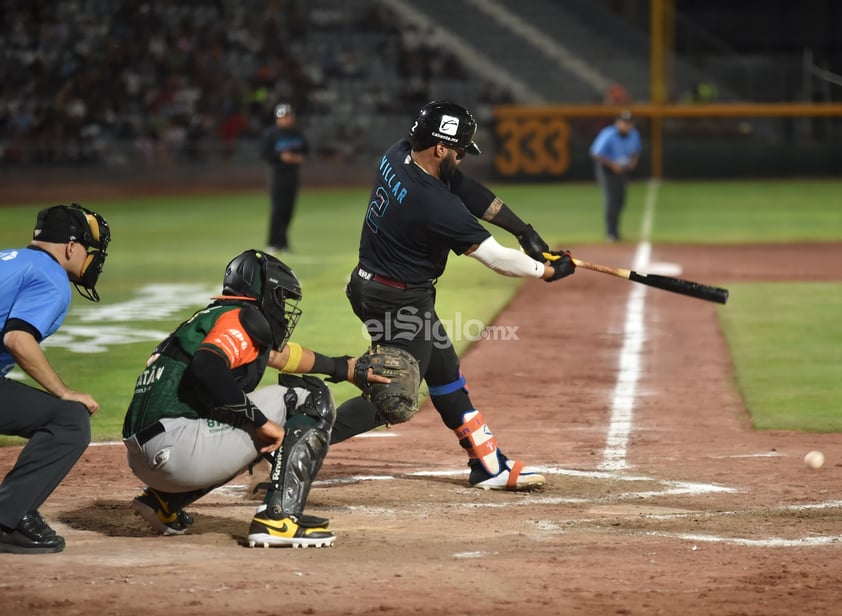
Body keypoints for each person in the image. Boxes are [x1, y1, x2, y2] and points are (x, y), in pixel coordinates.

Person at [332, 100, 576, 491]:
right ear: (441, 149)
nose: (462, 159)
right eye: (459, 151)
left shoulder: (400, 152)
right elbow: (494, 259)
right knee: (392, 396)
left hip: (377, 287)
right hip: (397, 302)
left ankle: (488, 464)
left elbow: (468, 190)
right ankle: (292, 439)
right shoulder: (433, 203)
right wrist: (547, 270)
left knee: (445, 373)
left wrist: (523, 230)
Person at [123, 249, 383, 548]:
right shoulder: (240, 319)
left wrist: (344, 368)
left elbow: (279, 357)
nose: (283, 308)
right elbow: (207, 367)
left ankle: (162, 501)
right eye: (281, 297)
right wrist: (260, 422)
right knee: (308, 397)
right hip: (178, 451)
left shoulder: (213, 317)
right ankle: (278, 518)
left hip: (149, 452)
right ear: (266, 292)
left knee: (240, 410)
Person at [0, 204, 111, 554]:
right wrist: (64, 391)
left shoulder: (9, 259)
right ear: (70, 247)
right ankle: (7, 519)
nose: (91, 260)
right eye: (89, 251)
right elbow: (18, 339)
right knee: (70, 420)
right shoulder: (50, 276)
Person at [259, 103, 307, 254]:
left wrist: (297, 157)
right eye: (283, 117)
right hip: (277, 174)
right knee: (278, 209)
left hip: (292, 175)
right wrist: (281, 157)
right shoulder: (271, 134)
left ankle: (283, 242)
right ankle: (273, 242)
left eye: (288, 116)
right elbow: (265, 154)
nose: (286, 119)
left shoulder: (296, 133)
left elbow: (305, 149)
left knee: (288, 209)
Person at [589, 110, 642, 242]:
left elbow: (636, 151)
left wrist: (633, 162)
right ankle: (610, 233)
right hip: (607, 169)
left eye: (628, 123)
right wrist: (613, 165)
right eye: (623, 122)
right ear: (617, 122)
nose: (626, 125)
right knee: (612, 198)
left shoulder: (634, 134)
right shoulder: (608, 134)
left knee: (621, 199)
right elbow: (596, 153)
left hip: (622, 169)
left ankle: (616, 231)